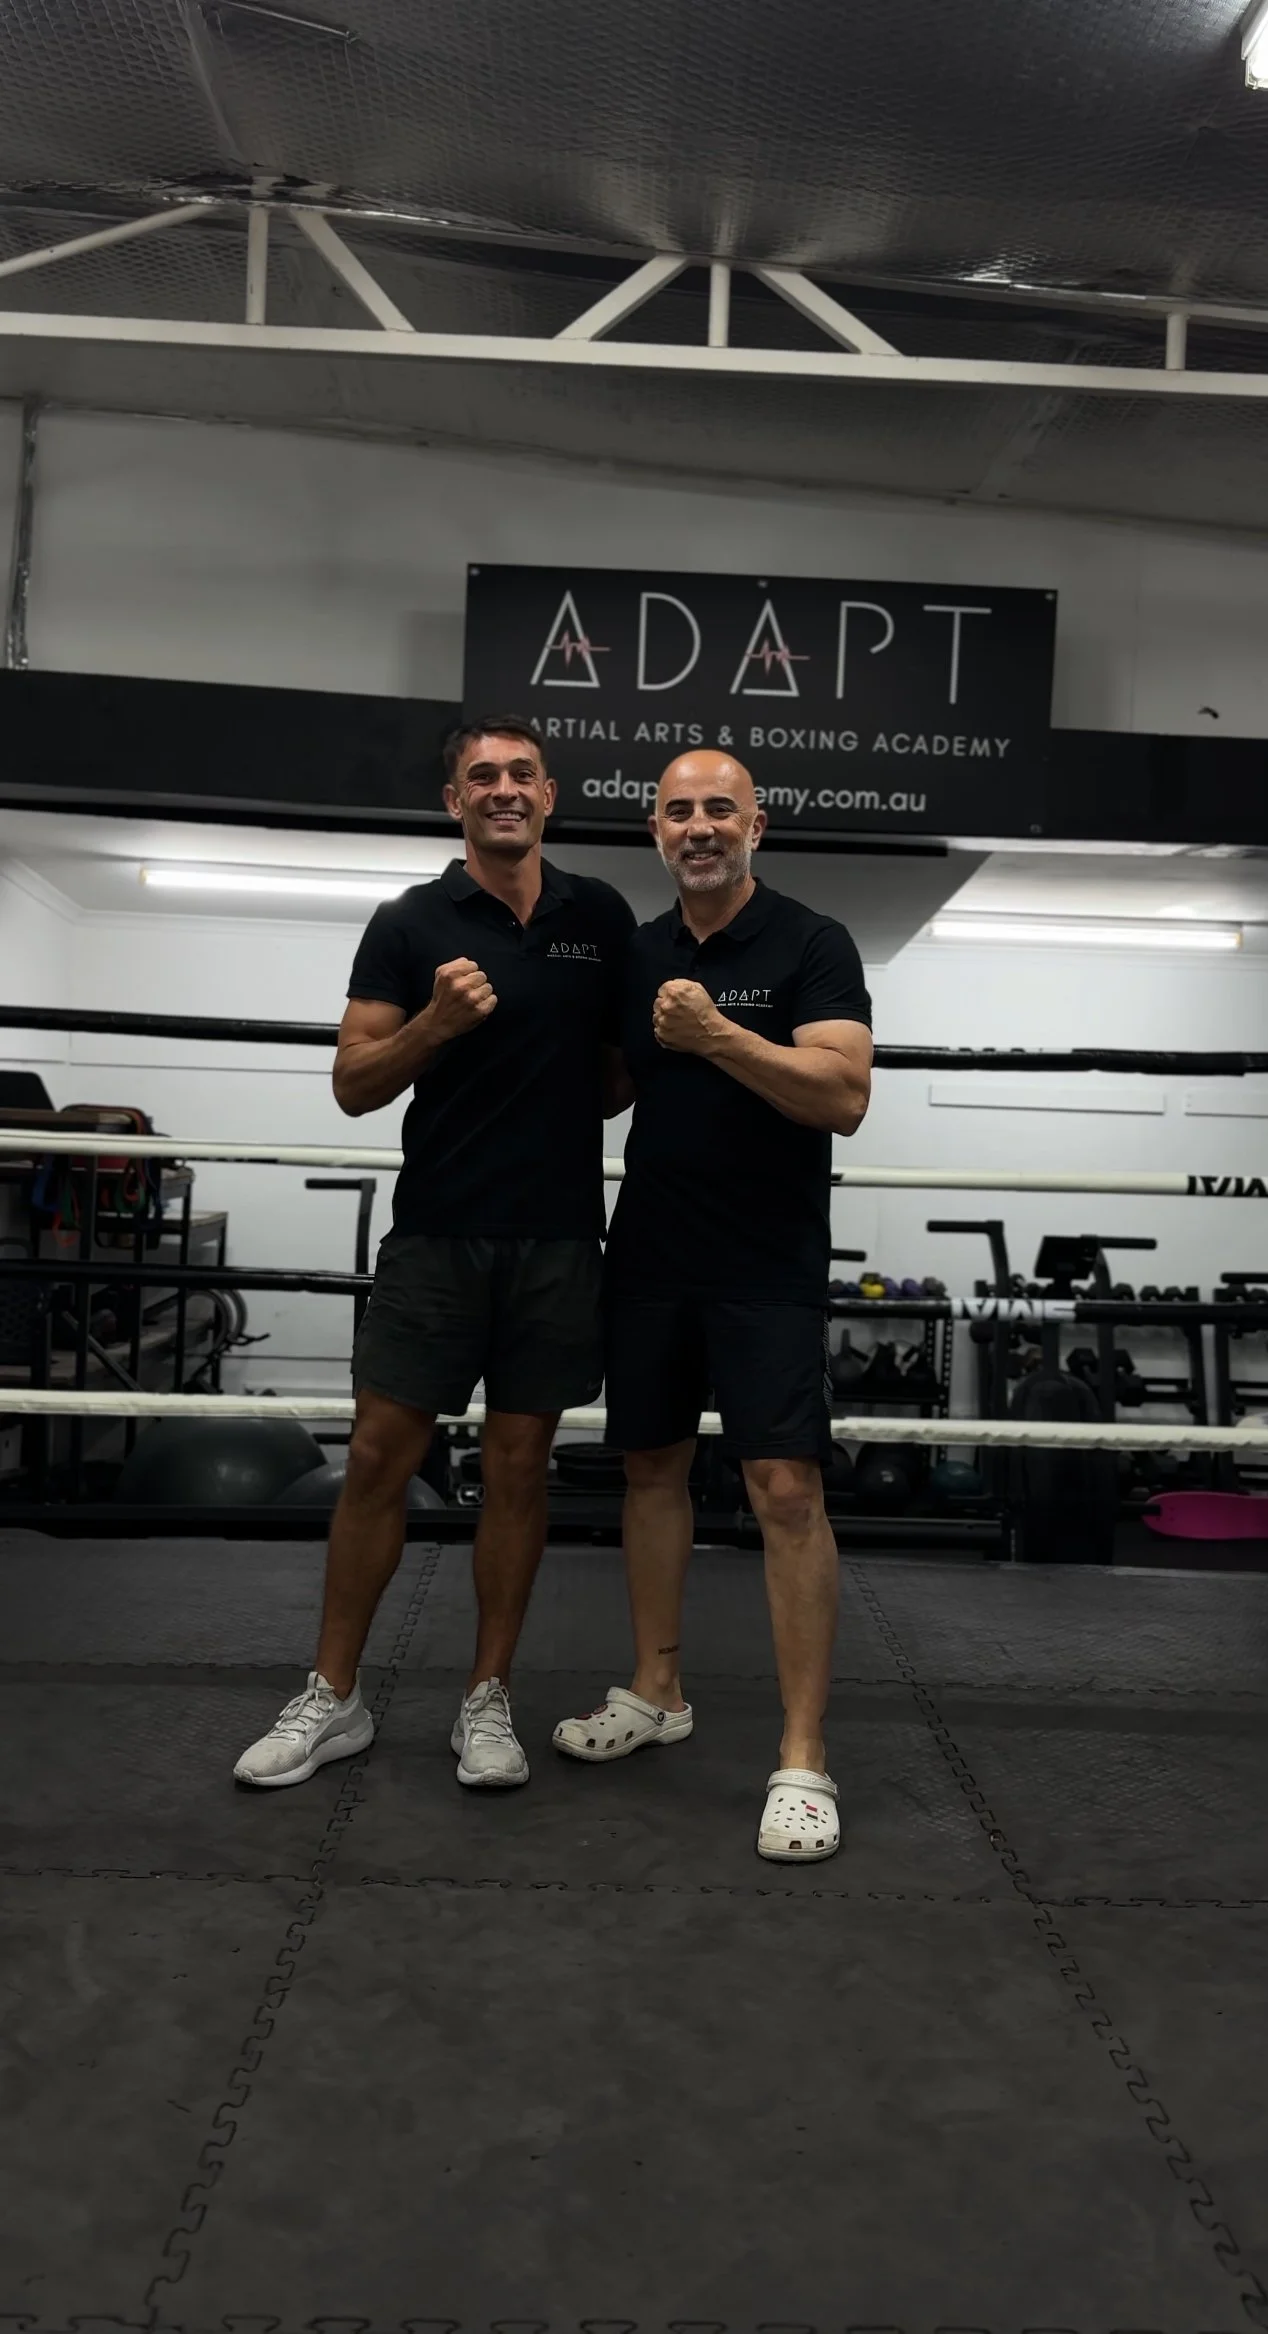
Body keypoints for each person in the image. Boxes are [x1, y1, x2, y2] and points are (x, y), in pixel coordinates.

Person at [235, 716, 634, 1794]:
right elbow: (356, 1081)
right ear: (453, 802)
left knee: (517, 1470)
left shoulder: (599, 918)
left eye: (520, 775)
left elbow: (613, 1079)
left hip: (556, 1240)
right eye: (480, 778)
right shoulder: (409, 922)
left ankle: (486, 1701)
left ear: (549, 794)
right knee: (375, 1460)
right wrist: (437, 1027)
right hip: (436, 1237)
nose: (502, 790)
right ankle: (335, 1695)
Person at [552, 750, 872, 1863]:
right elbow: (604, 1085)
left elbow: (842, 1097)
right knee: (650, 1467)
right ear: (654, 831)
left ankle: (801, 1756)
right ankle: (656, 1689)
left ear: (757, 825)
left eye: (719, 810)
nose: (700, 827)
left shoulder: (811, 942)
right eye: (679, 811)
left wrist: (719, 1036)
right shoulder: (634, 954)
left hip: (766, 1261)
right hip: (649, 1252)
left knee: (785, 1487)